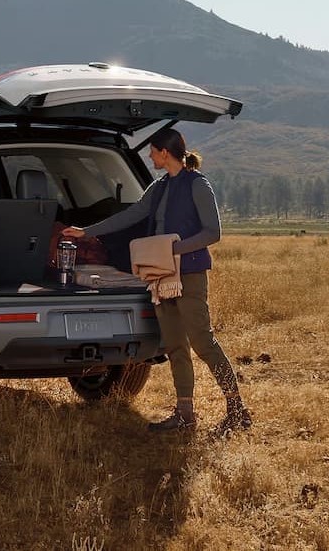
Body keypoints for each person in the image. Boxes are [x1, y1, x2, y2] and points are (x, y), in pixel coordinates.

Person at [62, 128, 251, 435]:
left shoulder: (197, 184)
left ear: (165, 152)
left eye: (152, 151)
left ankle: (236, 409)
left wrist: (172, 249)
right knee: (176, 346)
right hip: (160, 274)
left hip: (188, 274)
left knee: (203, 343)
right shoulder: (159, 187)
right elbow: (133, 214)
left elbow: (212, 233)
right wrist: (86, 231)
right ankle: (185, 414)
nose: (149, 156)